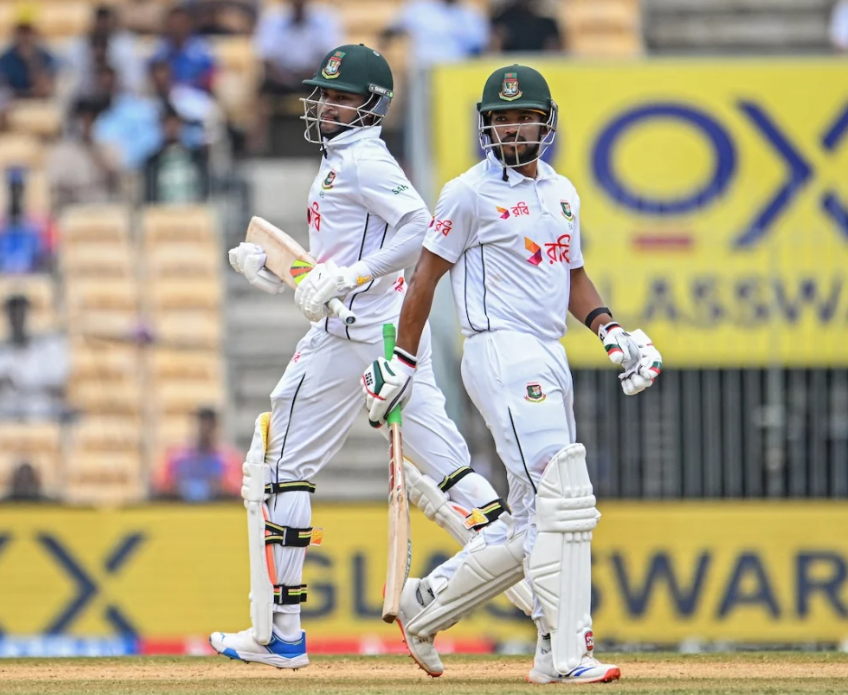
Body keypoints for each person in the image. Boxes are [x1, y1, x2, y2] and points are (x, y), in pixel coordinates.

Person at [209, 44, 529, 670]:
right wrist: (279, 272)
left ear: (372, 107)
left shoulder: (361, 160)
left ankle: (282, 633)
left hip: (363, 337)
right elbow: (333, 269)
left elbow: (420, 228)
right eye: (323, 94)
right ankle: (544, 600)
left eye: (340, 97)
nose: (325, 104)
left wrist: (350, 276)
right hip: (375, 333)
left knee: (286, 470)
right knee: (450, 474)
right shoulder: (339, 163)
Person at [360, 64, 664, 684]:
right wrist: (405, 362)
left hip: (548, 349)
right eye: (500, 118)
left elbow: (571, 274)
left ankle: (428, 605)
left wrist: (610, 330)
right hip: (497, 350)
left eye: (523, 115)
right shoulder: (467, 192)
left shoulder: (562, 192)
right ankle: (564, 653)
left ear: (546, 122)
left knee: (532, 520)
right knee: (561, 499)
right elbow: (425, 278)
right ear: (485, 125)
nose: (511, 127)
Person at [252, 0, 342, 152]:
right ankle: (258, 145)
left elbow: (331, 56)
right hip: (281, 76)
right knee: (261, 90)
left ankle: (328, 140)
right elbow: (266, 58)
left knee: (332, 90)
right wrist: (284, 77)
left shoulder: (325, 18)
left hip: (314, 76)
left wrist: (314, 74)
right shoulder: (273, 18)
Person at [0, 293, 69, 422]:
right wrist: (4, 380)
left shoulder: (49, 348)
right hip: (6, 414)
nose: (18, 321)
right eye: (13, 315)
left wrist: (28, 386)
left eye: (21, 315)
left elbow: (60, 389)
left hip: (41, 413)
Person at [0, 168, 55, 275]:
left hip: (30, 281)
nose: (15, 195)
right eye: (12, 189)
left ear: (24, 191)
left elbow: (47, 258)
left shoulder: (38, 227)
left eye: (19, 189)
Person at [46, 99, 122, 209]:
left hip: (103, 208)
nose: (87, 124)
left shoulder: (108, 148)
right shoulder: (62, 151)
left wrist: (94, 153)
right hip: (73, 208)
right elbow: (55, 185)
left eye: (91, 119)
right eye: (83, 119)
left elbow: (117, 181)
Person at [154, 408, 240, 502]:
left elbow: (236, 489)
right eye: (201, 424)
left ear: (215, 427)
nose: (205, 430)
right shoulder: (177, 457)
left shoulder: (227, 459)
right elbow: (159, 486)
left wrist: (217, 485)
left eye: (209, 425)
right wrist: (179, 486)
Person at [91, 65, 163, 170]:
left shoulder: (134, 107)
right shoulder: (94, 117)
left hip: (141, 168)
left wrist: (129, 160)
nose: (106, 89)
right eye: (103, 85)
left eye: (109, 84)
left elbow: (152, 137)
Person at [64, 5, 143, 100]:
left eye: (105, 21)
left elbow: (133, 85)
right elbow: (74, 87)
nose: (103, 25)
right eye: (100, 21)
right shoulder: (78, 47)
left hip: (120, 99)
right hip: (88, 99)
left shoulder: (125, 46)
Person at [381, 0, 490, 66]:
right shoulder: (418, 8)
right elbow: (390, 30)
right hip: (424, 71)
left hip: (457, 71)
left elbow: (481, 44)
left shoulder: (469, 14)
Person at [144, 107, 209, 203]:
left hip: (193, 212)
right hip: (162, 214)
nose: (172, 128)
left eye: (175, 123)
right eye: (168, 124)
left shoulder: (196, 158)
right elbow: (150, 195)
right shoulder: (152, 162)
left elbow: (204, 189)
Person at [149, 7, 217, 93]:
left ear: (188, 24)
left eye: (180, 24)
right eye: (173, 25)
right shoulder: (161, 48)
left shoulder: (201, 48)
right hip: (168, 94)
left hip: (196, 94)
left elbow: (211, 74)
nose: (176, 28)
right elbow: (153, 73)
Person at [0, 20, 57, 101]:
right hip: (13, 99)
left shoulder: (45, 57)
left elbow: (47, 86)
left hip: (38, 98)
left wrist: (33, 61)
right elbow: (0, 84)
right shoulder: (4, 59)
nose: (25, 38)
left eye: (28, 33)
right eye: (21, 33)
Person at [491, 0, 563, 53]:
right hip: (509, 64)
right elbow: (494, 49)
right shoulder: (503, 20)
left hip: (542, 64)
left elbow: (555, 50)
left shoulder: (547, 24)